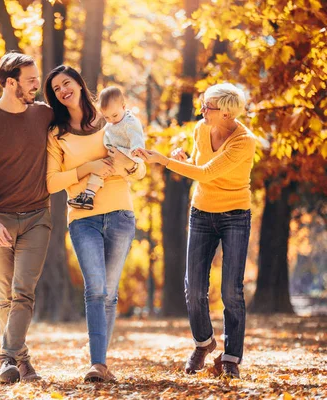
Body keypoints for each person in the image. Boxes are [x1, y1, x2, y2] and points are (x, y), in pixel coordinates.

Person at [133, 83, 255, 379]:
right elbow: (200, 167)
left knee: (231, 290)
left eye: (208, 107)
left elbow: (207, 173)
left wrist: (165, 160)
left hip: (235, 215)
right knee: (194, 287)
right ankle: (204, 343)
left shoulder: (244, 141)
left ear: (226, 113)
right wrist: (185, 160)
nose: (202, 111)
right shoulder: (202, 128)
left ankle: (231, 358)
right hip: (201, 212)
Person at [45, 65, 146, 382]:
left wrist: (126, 163)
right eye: (56, 88)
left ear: (79, 82)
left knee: (110, 292)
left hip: (119, 213)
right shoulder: (56, 134)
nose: (63, 90)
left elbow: (139, 169)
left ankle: (100, 362)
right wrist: (88, 167)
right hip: (82, 217)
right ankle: (98, 364)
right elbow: (50, 182)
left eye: (67, 82)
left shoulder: (111, 119)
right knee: (96, 289)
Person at [0, 52, 54, 384]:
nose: (37, 85)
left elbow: (82, 123)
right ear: (11, 82)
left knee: (23, 291)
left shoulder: (44, 115)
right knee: (5, 294)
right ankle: (23, 362)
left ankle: (5, 356)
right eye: (31, 80)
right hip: (0, 220)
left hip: (36, 218)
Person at [68, 86, 145, 210]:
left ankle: (88, 196)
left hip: (127, 155)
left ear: (124, 107)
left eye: (114, 115)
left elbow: (136, 136)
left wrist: (137, 149)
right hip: (115, 156)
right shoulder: (112, 122)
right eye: (107, 117)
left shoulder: (130, 122)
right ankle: (89, 197)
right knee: (99, 172)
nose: (111, 120)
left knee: (99, 170)